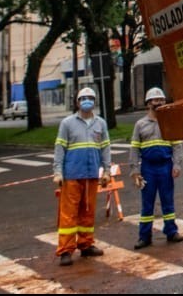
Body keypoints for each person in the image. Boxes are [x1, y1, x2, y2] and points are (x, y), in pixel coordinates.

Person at [52, 87, 112, 266]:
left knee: (88, 212)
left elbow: (105, 148)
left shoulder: (100, 123)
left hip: (91, 175)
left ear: (95, 102)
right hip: (72, 175)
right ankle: (65, 250)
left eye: (90, 98)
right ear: (77, 102)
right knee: (68, 215)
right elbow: (59, 148)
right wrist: (57, 172)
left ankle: (86, 245)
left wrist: (107, 171)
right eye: (83, 98)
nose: (87, 101)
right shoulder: (67, 123)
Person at [128, 86, 183, 249]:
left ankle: (171, 231)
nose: (158, 103)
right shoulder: (140, 125)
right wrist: (135, 171)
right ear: (148, 103)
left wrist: (177, 165)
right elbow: (134, 148)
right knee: (147, 203)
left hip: (165, 167)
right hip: (148, 168)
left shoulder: (169, 122)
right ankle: (144, 236)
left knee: (168, 201)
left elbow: (177, 145)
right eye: (155, 100)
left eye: (161, 99)